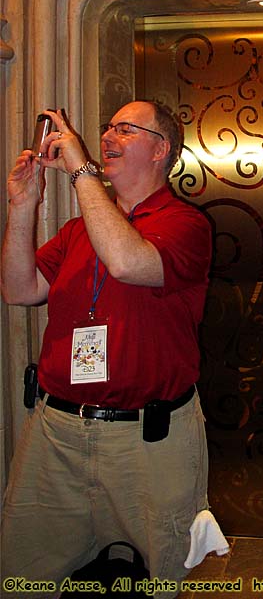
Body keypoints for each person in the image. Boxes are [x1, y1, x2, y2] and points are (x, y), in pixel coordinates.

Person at [1, 101, 212, 597]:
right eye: (107, 127)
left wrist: (80, 170)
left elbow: (127, 262)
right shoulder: (78, 231)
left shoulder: (187, 224)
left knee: (163, 574)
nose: (108, 136)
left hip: (149, 441)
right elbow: (18, 289)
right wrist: (23, 205)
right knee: (24, 576)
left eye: (125, 128)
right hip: (56, 432)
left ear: (161, 150)